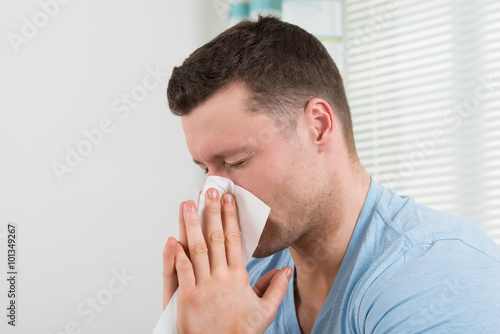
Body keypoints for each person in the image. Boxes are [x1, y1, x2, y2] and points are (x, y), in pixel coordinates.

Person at [161, 16, 500, 333]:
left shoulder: (439, 275)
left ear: (318, 126)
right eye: (206, 170)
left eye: (236, 161)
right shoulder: (238, 293)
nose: (215, 195)